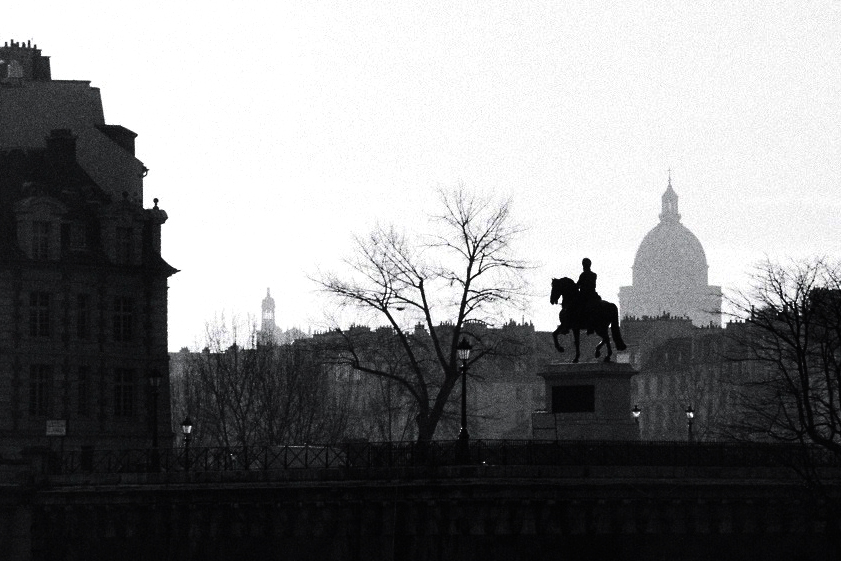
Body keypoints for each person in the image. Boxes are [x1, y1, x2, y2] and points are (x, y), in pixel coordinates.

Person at [577, 258, 600, 334]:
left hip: (585, 295)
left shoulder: (583, 275)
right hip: (593, 295)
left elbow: (578, 285)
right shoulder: (594, 275)